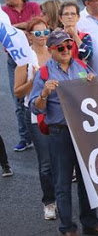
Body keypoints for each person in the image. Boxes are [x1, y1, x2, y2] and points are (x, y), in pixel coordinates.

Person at [29, 30, 98, 236]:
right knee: (62, 182)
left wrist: (96, 84)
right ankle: (67, 228)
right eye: (60, 47)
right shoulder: (44, 74)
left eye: (68, 46)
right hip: (61, 132)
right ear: (51, 51)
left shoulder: (82, 66)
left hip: (84, 131)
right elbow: (35, 108)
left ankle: (90, 224)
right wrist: (44, 93)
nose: (66, 50)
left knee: (88, 181)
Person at [13, 17, 56, 220]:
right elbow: (18, 93)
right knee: (46, 161)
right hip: (37, 115)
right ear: (29, 36)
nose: (42, 36)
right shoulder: (25, 59)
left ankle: (62, 199)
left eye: (45, 32)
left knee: (63, 159)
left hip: (60, 111)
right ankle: (49, 202)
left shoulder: (56, 51)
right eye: (37, 33)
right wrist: (34, 80)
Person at [2, 0, 41, 152]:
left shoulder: (33, 6)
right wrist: (23, 27)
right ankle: (25, 138)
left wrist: (13, 28)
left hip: (35, 57)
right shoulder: (3, 11)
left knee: (40, 96)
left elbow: (37, 24)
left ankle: (40, 134)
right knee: (18, 97)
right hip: (15, 61)